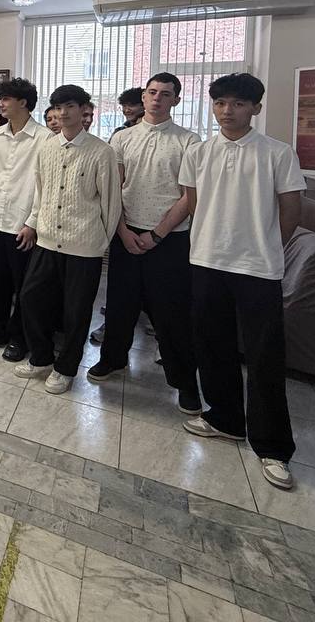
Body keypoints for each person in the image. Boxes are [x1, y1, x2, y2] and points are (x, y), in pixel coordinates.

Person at [179, 73, 305, 491]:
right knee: (211, 345)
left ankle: (273, 446)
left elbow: (291, 210)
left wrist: (267, 247)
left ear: (255, 108)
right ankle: (225, 419)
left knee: (264, 356)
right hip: (206, 260)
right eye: (220, 103)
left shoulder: (277, 153)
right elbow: (193, 202)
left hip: (257, 268)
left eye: (237, 103)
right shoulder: (199, 151)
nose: (226, 111)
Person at [89, 74, 202, 413]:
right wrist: (123, 232)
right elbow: (114, 190)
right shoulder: (122, 138)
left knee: (171, 311)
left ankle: (183, 380)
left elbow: (189, 197)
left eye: (165, 94)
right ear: (143, 96)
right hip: (126, 232)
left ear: (176, 100)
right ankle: (113, 359)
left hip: (169, 237)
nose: (157, 98)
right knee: (120, 303)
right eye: (152, 92)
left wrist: (157, 234)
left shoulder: (189, 140)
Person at [15, 85, 122, 393]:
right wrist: (33, 223)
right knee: (31, 299)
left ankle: (66, 369)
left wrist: (99, 242)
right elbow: (41, 192)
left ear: (84, 109)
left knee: (76, 312)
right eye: (58, 107)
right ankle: (41, 358)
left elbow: (111, 203)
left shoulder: (101, 152)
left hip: (83, 246)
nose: (63, 113)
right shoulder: (46, 147)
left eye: (70, 106)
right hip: (47, 240)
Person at [0, 77, 51, 361]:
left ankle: (20, 337)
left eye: (5, 99)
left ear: (23, 102)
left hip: (21, 223)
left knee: (24, 287)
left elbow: (44, 186)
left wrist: (32, 223)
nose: (0, 104)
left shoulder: (44, 138)